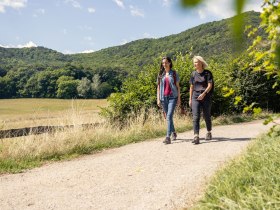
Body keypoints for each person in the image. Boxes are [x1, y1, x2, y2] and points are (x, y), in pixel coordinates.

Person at [189, 56, 213, 144]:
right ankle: (196, 136)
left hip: (206, 96)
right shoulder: (193, 74)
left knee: (206, 115)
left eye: (196, 62)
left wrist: (204, 94)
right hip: (195, 97)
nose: (195, 64)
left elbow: (209, 85)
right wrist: (190, 99)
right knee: (195, 116)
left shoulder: (207, 73)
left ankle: (209, 131)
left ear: (201, 63)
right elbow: (191, 87)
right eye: (194, 62)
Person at [157, 57, 181, 144]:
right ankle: (174, 132)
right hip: (163, 98)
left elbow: (178, 87)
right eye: (163, 63)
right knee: (168, 117)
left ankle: (168, 137)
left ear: (170, 63)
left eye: (166, 62)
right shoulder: (160, 74)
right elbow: (158, 87)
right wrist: (158, 99)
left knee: (169, 116)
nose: (164, 64)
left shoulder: (174, 73)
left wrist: (179, 99)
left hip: (172, 97)